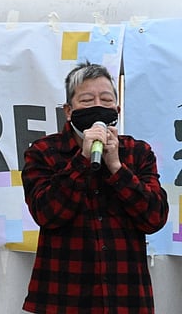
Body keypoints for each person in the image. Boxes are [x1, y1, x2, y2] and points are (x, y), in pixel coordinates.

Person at [21, 61, 169, 314]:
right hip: (62, 297)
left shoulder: (138, 152)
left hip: (127, 297)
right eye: (87, 101)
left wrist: (117, 168)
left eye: (106, 100)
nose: (98, 107)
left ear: (117, 108)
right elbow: (47, 214)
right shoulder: (44, 152)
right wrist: (81, 161)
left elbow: (154, 218)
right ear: (69, 110)